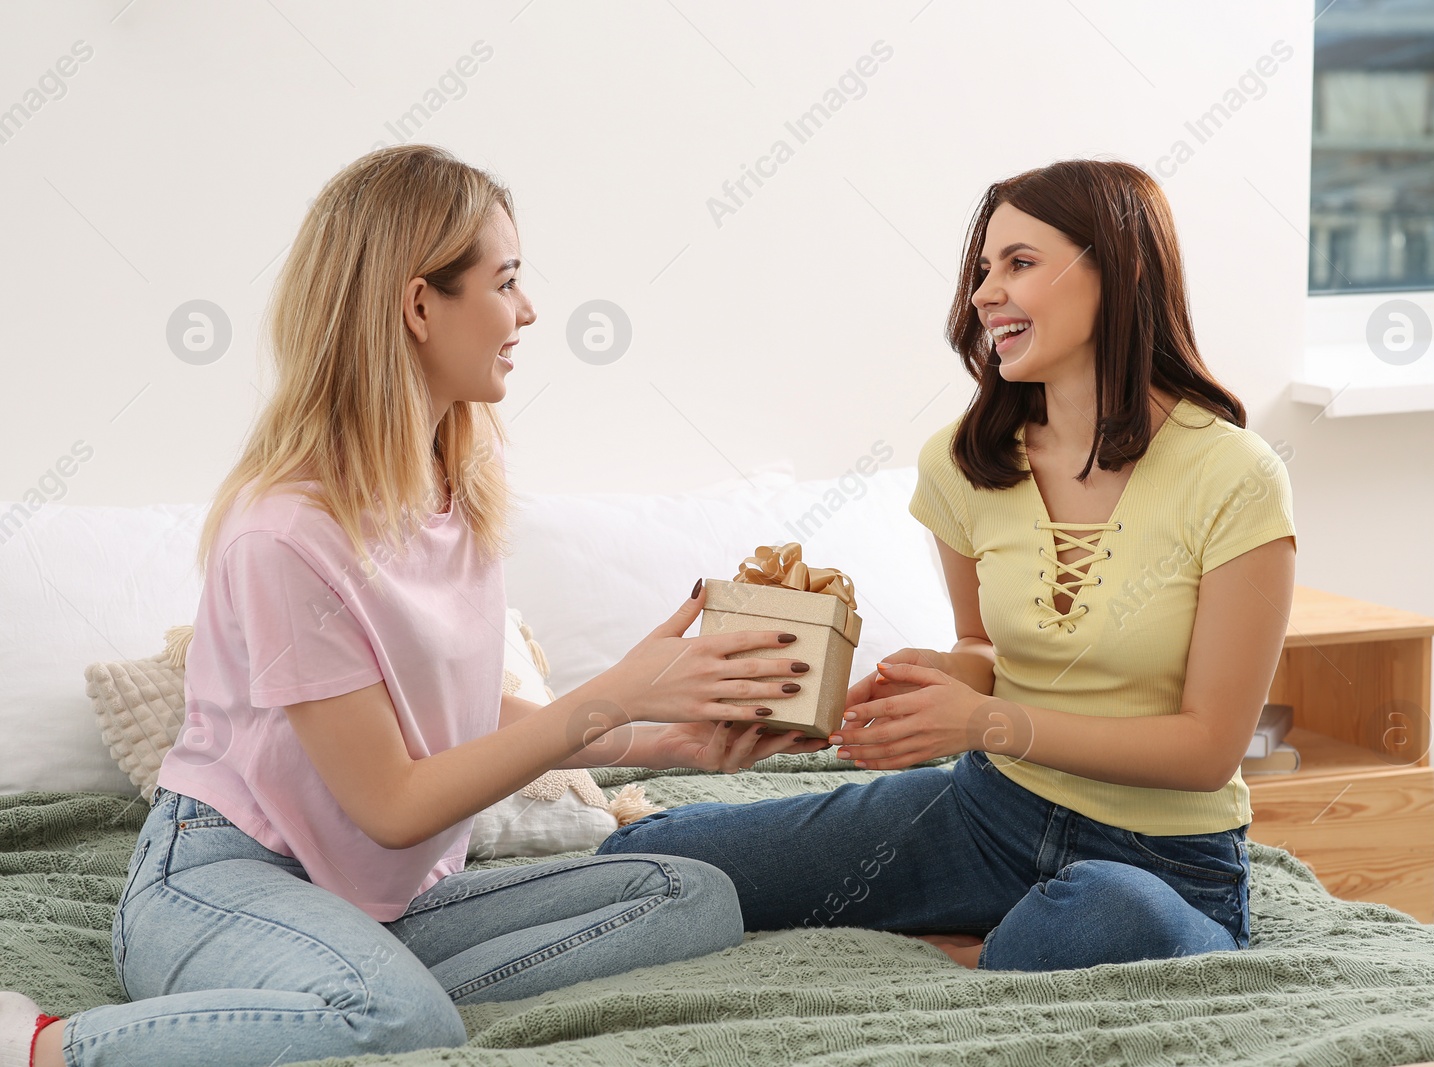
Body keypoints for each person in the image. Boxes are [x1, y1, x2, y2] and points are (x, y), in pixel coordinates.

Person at [0, 143, 828, 1067]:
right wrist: (621, 692)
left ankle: (342, 978)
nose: (529, 310)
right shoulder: (286, 534)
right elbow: (393, 803)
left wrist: (670, 739)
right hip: (223, 877)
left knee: (693, 893)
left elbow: (463, 720)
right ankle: (39, 1044)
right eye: (506, 282)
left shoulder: (457, 483)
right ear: (419, 303)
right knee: (403, 1026)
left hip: (377, 899)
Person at [598, 159, 1298, 972]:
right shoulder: (965, 464)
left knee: (1112, 918)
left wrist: (982, 722)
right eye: (982, 269)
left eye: (1020, 264)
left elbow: (1210, 748)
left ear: (1122, 268)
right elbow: (988, 651)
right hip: (987, 814)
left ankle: (990, 950)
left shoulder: (1235, 476)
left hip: (1166, 863)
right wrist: (943, 674)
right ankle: (1004, 943)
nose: (983, 293)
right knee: (658, 859)